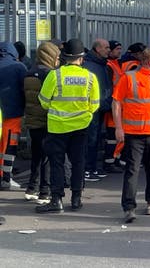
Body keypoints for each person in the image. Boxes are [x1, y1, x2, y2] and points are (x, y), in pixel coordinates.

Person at [36, 38, 100, 213]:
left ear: (64, 57)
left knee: (57, 163)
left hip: (57, 127)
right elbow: (94, 105)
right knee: (78, 162)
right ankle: (76, 199)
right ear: (81, 58)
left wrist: (58, 109)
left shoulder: (54, 75)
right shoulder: (90, 77)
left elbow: (43, 101)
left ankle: (56, 200)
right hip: (80, 127)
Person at [113, 48, 150, 223]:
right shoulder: (129, 78)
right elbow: (116, 102)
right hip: (134, 134)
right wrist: (118, 128)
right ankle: (129, 207)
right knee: (132, 170)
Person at [23, 42, 60, 204]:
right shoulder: (49, 74)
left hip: (32, 120)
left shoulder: (29, 72)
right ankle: (44, 192)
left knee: (36, 156)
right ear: (50, 56)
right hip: (47, 120)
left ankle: (32, 188)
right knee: (47, 158)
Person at [82, 38, 112, 182]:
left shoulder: (101, 65)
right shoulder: (90, 66)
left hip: (100, 107)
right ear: (97, 49)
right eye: (106, 47)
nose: (108, 50)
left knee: (96, 139)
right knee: (90, 140)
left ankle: (92, 167)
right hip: (91, 109)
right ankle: (87, 169)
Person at [0, 41, 27, 190]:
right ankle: (6, 178)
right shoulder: (18, 67)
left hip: (1, 113)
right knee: (10, 145)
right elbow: (25, 90)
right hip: (13, 114)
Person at [103, 40, 124, 173]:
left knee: (116, 138)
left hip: (118, 105)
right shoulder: (109, 65)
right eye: (117, 49)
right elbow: (110, 87)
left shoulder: (116, 64)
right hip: (113, 106)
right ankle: (109, 162)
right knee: (111, 138)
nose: (119, 51)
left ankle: (114, 160)